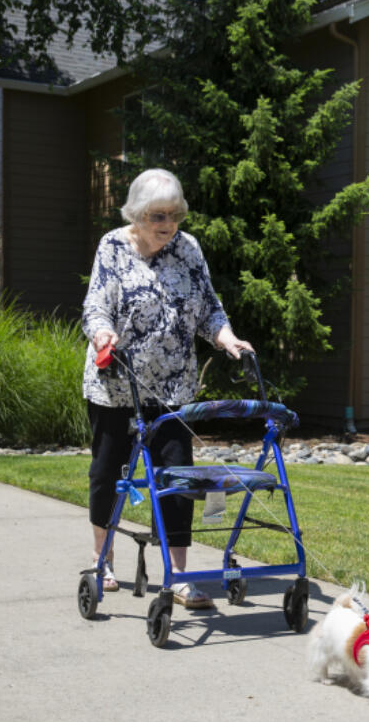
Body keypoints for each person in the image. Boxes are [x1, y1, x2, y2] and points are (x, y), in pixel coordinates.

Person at [81, 168, 252, 608]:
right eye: (158, 215)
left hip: (173, 389)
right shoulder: (114, 246)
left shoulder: (187, 249)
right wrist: (102, 333)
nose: (168, 224)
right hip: (118, 386)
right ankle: (103, 560)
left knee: (178, 477)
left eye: (174, 215)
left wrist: (227, 337)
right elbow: (96, 304)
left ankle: (177, 575)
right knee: (107, 475)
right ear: (136, 214)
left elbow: (209, 307)